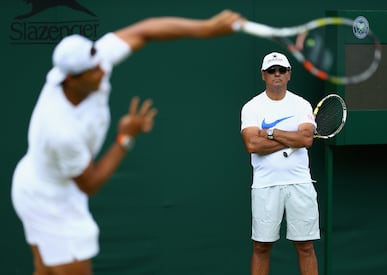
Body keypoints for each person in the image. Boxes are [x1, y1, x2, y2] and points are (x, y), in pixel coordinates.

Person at [11, 10, 244, 275]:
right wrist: (125, 138)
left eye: (101, 63)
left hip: (40, 182)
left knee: (46, 271)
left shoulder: (93, 62)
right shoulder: (61, 129)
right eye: (94, 71)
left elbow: (146, 30)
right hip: (48, 198)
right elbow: (90, 184)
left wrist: (205, 28)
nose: (103, 70)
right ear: (71, 80)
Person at [240, 52, 320, 275]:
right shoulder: (252, 107)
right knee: (261, 246)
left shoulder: (301, 105)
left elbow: (306, 139)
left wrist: (272, 133)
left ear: (289, 75)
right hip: (265, 185)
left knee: (305, 246)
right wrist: (290, 138)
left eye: (281, 70)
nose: (277, 74)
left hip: (300, 184)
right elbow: (252, 145)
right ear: (263, 75)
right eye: (272, 70)